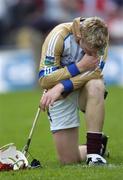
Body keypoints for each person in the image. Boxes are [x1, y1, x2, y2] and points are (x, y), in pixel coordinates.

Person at [38, 16, 109, 165]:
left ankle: (94, 155)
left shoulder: (102, 36)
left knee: (97, 85)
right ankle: (98, 145)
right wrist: (79, 67)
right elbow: (44, 79)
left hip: (82, 90)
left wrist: (62, 86)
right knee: (68, 160)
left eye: (97, 52)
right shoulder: (59, 35)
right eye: (89, 51)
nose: (94, 55)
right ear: (79, 37)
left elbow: (95, 72)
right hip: (59, 97)